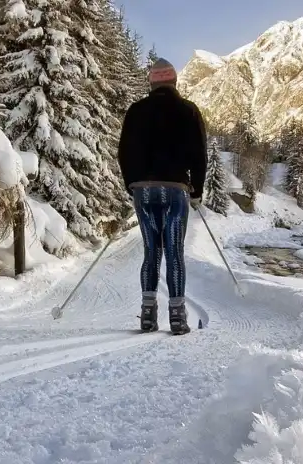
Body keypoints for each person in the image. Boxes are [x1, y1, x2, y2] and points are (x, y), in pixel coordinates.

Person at [117, 58, 207, 335]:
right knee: (174, 252)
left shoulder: (136, 111)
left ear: (152, 83)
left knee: (151, 251)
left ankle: (147, 315)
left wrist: (131, 183)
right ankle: (177, 318)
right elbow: (200, 155)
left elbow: (124, 152)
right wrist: (197, 191)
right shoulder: (189, 111)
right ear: (174, 82)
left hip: (143, 190)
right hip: (176, 189)